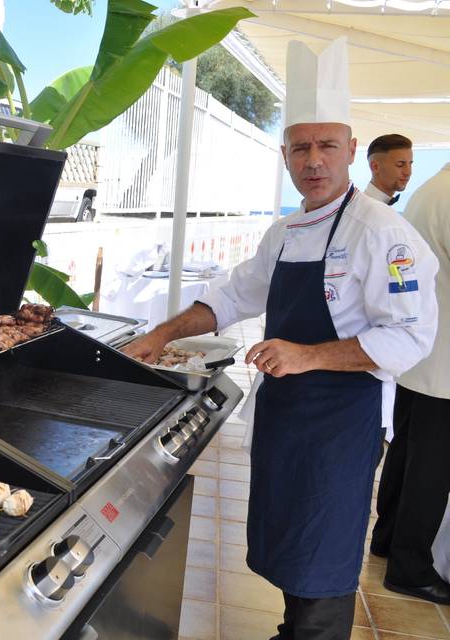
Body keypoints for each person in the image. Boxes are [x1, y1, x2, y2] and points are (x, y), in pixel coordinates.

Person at [122, 38, 438, 640]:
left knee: (325, 553)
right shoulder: (286, 231)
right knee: (292, 539)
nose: (313, 160)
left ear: (350, 150)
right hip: (286, 415)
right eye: (300, 148)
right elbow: (232, 294)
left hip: (343, 422)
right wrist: (161, 334)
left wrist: (307, 355)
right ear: (286, 155)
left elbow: (410, 334)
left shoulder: (383, 233)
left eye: (326, 146)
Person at [370, 163, 450, 604]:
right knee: (432, 470)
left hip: (419, 358)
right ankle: (411, 567)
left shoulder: (429, 189)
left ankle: (386, 539)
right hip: (442, 361)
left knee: (406, 454)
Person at [364, 134, 413, 205]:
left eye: (410, 164)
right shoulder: (364, 210)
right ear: (375, 167)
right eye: (400, 164)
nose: (408, 172)